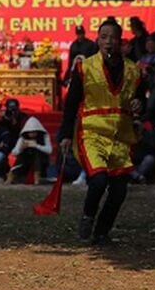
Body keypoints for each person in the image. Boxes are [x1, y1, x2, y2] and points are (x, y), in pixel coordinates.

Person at [60, 18, 143, 245]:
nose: (108, 42)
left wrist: (138, 105)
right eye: (104, 37)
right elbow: (71, 103)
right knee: (98, 181)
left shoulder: (134, 71)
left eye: (113, 37)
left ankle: (102, 231)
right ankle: (88, 215)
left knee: (119, 191)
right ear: (97, 40)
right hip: (92, 133)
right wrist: (65, 134)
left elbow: (139, 99)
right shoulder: (84, 67)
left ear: (121, 42)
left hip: (120, 136)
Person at [9, 116, 52, 184]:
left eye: (34, 132)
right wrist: (21, 148)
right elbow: (14, 152)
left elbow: (49, 150)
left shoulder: (44, 137)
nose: (32, 134)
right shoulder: (23, 138)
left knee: (37, 154)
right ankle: (11, 177)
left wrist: (36, 146)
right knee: (20, 158)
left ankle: (37, 178)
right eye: (30, 132)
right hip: (25, 162)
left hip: (41, 161)